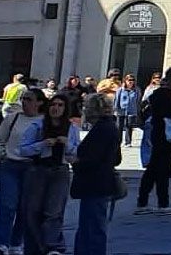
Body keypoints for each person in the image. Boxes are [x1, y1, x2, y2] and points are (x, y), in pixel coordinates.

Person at [18, 94, 78, 255]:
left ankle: (53, 247)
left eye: (60, 105)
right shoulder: (37, 125)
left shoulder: (71, 128)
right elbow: (23, 149)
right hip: (38, 170)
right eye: (53, 104)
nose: (56, 108)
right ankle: (35, 247)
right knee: (32, 211)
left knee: (54, 211)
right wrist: (42, 144)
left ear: (65, 109)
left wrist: (68, 144)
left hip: (60, 170)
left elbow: (77, 152)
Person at [71, 93, 121, 255]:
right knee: (92, 225)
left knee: (91, 227)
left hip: (95, 183)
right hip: (101, 182)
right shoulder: (110, 127)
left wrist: (76, 162)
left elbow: (92, 159)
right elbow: (116, 158)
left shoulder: (101, 130)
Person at [0, 89, 43, 254]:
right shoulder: (12, 118)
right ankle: (2, 244)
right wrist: (2, 155)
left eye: (29, 99)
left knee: (25, 207)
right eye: (23, 99)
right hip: (10, 165)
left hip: (31, 167)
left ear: (39, 102)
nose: (25, 102)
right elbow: (0, 140)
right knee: (8, 205)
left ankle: (16, 242)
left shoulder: (44, 121)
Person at [136, 66, 171, 214]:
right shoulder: (167, 95)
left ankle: (143, 202)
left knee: (154, 169)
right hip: (165, 136)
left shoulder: (157, 94)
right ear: (169, 78)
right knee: (161, 169)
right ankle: (162, 203)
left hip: (158, 134)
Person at [115, 74, 142, 147]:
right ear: (125, 81)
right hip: (121, 110)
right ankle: (118, 142)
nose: (131, 82)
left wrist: (137, 110)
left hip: (132, 110)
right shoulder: (120, 89)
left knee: (129, 126)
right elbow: (117, 99)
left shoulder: (137, 90)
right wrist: (116, 109)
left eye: (132, 80)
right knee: (119, 127)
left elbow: (138, 100)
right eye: (129, 80)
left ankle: (128, 142)